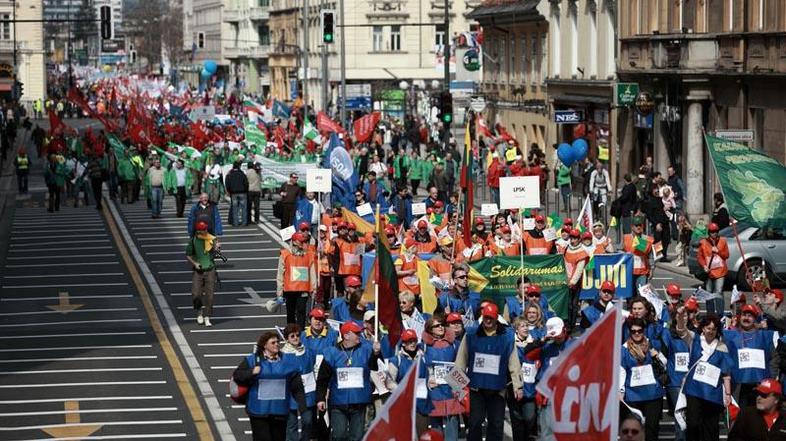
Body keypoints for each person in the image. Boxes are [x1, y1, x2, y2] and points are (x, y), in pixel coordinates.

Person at [454, 303, 522, 441]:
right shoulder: (471, 334)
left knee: (496, 424)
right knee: (474, 423)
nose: (488, 320)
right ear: (482, 317)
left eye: (491, 317)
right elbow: (460, 362)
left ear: (496, 318)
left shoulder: (507, 337)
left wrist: (518, 386)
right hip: (476, 390)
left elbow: (514, 363)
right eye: (486, 317)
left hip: (497, 390)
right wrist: (456, 387)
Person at [315, 321, 383, 441]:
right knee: (339, 435)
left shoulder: (367, 348)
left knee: (356, 437)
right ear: (346, 336)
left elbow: (374, 367)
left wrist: (376, 353)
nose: (359, 335)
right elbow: (322, 379)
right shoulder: (331, 352)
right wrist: (320, 398)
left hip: (359, 402)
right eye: (356, 333)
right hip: (338, 402)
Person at [233, 332, 307, 441]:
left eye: (278, 342)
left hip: (279, 411)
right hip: (258, 411)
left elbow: (297, 387)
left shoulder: (289, 361)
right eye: (273, 343)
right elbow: (237, 376)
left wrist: (302, 406)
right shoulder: (252, 360)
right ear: (264, 345)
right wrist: (252, 372)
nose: (276, 344)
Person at [676, 313, 734, 441]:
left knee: (711, 428)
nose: (711, 331)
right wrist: (680, 316)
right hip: (694, 391)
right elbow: (681, 330)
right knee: (693, 424)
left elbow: (726, 374)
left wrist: (728, 394)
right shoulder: (694, 340)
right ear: (703, 328)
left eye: (714, 329)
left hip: (712, 393)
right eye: (708, 328)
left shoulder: (722, 346)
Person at [723, 304, 780, 408]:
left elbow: (774, 358)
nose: (746, 318)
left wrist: (771, 377)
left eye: (750, 316)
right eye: (744, 315)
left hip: (760, 385)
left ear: (755, 318)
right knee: (740, 416)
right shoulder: (731, 335)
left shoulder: (765, 336)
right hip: (738, 385)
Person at [620, 317, 666, 441]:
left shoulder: (653, 344)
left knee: (652, 429)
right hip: (633, 395)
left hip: (653, 394)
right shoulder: (624, 349)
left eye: (639, 331)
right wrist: (621, 391)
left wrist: (657, 355)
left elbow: (665, 363)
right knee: (634, 431)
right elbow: (621, 370)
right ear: (630, 332)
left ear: (644, 331)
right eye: (633, 331)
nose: (637, 333)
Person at [422, 315, 463, 440]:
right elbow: (419, 366)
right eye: (436, 325)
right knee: (435, 426)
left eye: (441, 324)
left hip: (452, 387)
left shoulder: (455, 344)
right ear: (429, 329)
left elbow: (461, 363)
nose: (440, 327)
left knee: (453, 421)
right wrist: (428, 380)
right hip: (434, 388)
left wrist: (459, 386)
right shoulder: (423, 346)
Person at [280, 324, 317, 441]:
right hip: (291, 394)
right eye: (292, 336)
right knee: (291, 424)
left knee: (308, 421)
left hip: (308, 393)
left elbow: (314, 366)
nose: (296, 338)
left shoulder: (308, 351)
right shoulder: (282, 355)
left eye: (297, 335)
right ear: (286, 339)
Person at [508, 316, 540, 441]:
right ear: (516, 329)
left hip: (530, 389)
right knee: (517, 422)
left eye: (527, 325)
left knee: (530, 418)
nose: (526, 328)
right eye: (522, 326)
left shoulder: (535, 343)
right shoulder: (511, 344)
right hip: (514, 388)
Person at [276, 232, 316, 329]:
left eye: (305, 241)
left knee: (301, 312)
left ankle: (301, 333)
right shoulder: (285, 254)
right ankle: (291, 332)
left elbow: (312, 272)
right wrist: (279, 293)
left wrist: (314, 288)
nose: (304, 243)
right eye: (301, 242)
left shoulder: (309, 255)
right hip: (289, 290)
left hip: (303, 290)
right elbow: (280, 274)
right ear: (294, 242)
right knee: (290, 313)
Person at [186, 221, 217, 327]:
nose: (205, 231)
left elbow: (215, 251)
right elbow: (188, 254)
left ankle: (207, 316)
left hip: (210, 270)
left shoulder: (212, 239)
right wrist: (195, 263)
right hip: (198, 271)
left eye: (205, 229)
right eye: (203, 229)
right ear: (198, 230)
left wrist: (217, 248)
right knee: (196, 293)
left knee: (210, 295)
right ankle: (199, 312)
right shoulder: (194, 240)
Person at [697, 222, 730, 316]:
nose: (714, 233)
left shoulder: (723, 241)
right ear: (709, 232)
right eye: (712, 231)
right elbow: (700, 256)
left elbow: (727, 255)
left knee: (718, 292)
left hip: (720, 272)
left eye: (716, 231)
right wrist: (704, 265)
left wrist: (718, 251)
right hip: (709, 272)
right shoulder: (703, 242)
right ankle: (710, 315)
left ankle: (720, 315)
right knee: (708, 293)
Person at [623, 216, 653, 287]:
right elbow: (620, 254)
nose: (638, 227)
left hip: (643, 272)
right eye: (636, 225)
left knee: (641, 294)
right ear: (632, 227)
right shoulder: (625, 238)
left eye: (640, 225)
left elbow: (651, 256)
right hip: (629, 272)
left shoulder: (647, 239)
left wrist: (652, 269)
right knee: (630, 295)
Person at [225, 161, 249, 226]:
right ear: (239, 166)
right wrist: (246, 191)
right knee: (244, 208)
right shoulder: (242, 174)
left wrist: (229, 191)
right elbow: (246, 183)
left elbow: (227, 184)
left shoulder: (230, 174)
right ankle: (244, 222)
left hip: (233, 193)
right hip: (242, 192)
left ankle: (235, 223)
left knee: (235, 208)